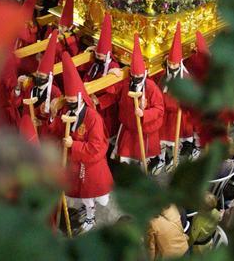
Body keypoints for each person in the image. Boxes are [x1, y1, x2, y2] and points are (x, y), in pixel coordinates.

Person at [49, 52, 113, 233]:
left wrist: (74, 145)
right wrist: (54, 119)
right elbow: (58, 133)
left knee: (91, 195)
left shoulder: (93, 118)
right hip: (75, 164)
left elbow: (97, 147)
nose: (69, 105)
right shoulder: (69, 112)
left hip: (91, 166)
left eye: (71, 102)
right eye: (67, 102)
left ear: (79, 99)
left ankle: (91, 218)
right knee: (83, 195)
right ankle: (88, 211)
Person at [112, 35, 164, 167]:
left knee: (143, 156)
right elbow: (114, 92)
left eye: (139, 76)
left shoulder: (151, 88)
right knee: (126, 156)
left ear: (144, 74)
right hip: (129, 127)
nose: (135, 78)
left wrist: (144, 114)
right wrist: (112, 73)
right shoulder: (126, 83)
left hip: (144, 128)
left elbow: (159, 109)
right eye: (133, 75)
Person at [156, 24, 194, 173]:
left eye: (174, 63)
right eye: (170, 63)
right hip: (164, 114)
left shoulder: (186, 78)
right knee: (161, 139)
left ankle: (173, 157)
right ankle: (161, 158)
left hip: (177, 115)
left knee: (174, 139)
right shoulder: (163, 75)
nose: (172, 66)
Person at [13, 31, 63, 144]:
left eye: (42, 76)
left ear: (49, 77)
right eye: (38, 75)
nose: (39, 78)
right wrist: (17, 88)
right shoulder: (31, 86)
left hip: (44, 134)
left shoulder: (55, 92)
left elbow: (57, 121)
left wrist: (44, 121)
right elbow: (17, 104)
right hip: (27, 130)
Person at [81, 14, 122, 136]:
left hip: (104, 107)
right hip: (90, 99)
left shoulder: (113, 67)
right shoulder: (96, 63)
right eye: (97, 55)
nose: (98, 58)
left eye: (100, 56)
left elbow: (114, 94)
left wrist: (99, 101)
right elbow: (86, 74)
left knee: (104, 130)